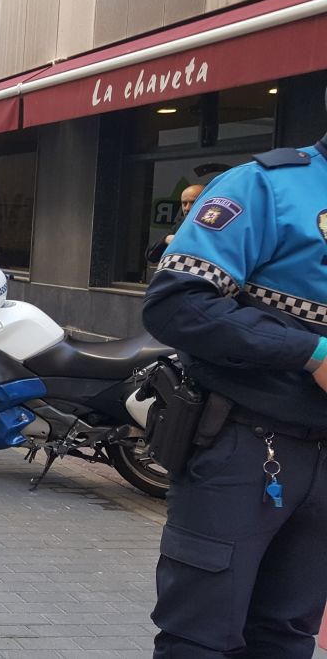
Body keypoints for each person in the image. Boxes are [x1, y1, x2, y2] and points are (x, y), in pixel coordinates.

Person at [142, 133, 327, 657]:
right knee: (201, 636)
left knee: (288, 636)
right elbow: (178, 305)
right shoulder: (265, 186)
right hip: (245, 445)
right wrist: (312, 352)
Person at [146, 184, 205, 265]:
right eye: (184, 203)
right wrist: (166, 240)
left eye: (193, 202)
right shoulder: (181, 224)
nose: (187, 208)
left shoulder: (217, 225)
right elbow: (151, 255)